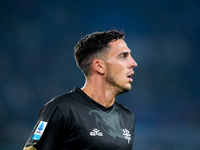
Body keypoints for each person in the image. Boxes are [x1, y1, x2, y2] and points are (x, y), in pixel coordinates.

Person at [23, 30, 137, 150]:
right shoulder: (62, 109)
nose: (133, 63)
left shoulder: (127, 116)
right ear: (99, 66)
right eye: (123, 56)